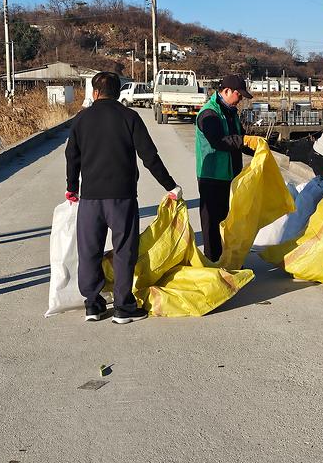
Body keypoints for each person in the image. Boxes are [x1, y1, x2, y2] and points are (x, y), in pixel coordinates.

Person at [65, 71, 181, 324]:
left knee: (89, 251)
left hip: (91, 199)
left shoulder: (81, 119)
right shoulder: (130, 117)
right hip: (122, 197)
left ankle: (93, 305)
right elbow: (149, 156)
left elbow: (71, 156)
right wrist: (170, 185)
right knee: (124, 251)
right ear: (118, 93)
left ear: (95, 93)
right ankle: (123, 307)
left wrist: (71, 187)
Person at [195, 74, 254, 261]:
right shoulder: (209, 113)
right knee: (212, 221)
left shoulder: (231, 112)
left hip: (231, 175)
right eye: (239, 95)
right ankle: (213, 260)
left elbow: (239, 139)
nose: (241, 99)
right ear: (226, 91)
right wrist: (244, 140)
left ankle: (228, 259)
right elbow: (218, 141)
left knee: (230, 220)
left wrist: (257, 146)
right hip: (212, 176)